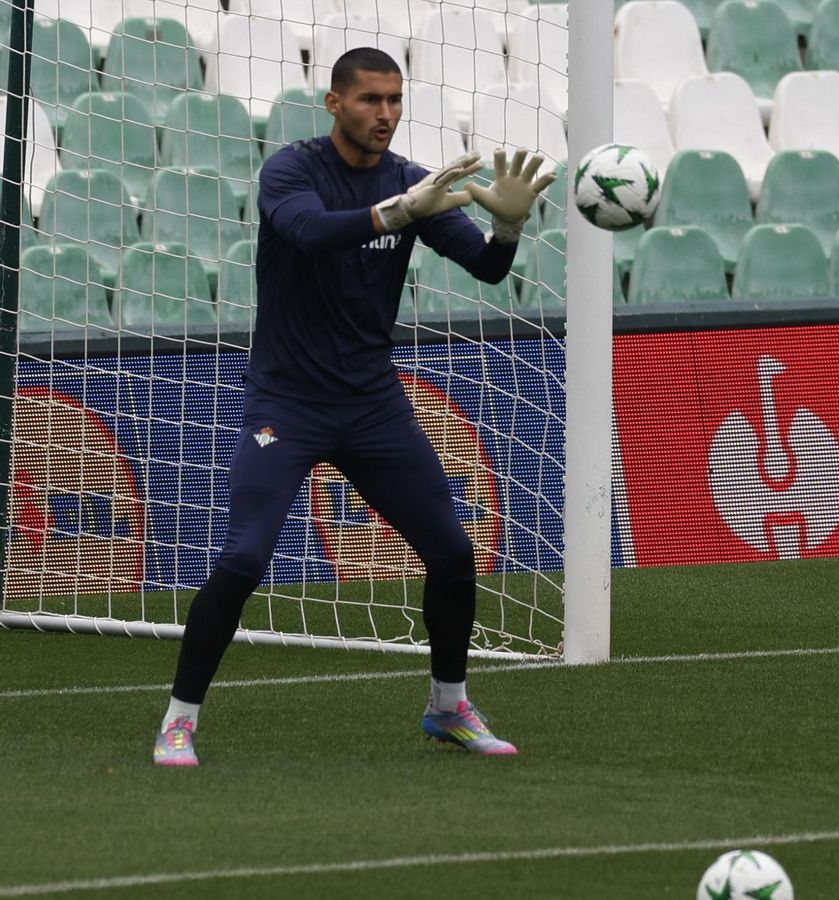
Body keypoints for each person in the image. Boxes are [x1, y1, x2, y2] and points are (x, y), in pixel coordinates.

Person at [152, 48, 555, 766]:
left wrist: (511, 228)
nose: (386, 115)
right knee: (244, 557)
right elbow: (312, 232)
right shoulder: (292, 172)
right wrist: (401, 209)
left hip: (372, 407)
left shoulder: (411, 182)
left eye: (395, 100)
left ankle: (448, 707)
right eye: (371, 100)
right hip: (288, 404)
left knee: (453, 552)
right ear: (335, 104)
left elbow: (488, 269)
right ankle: (180, 719)